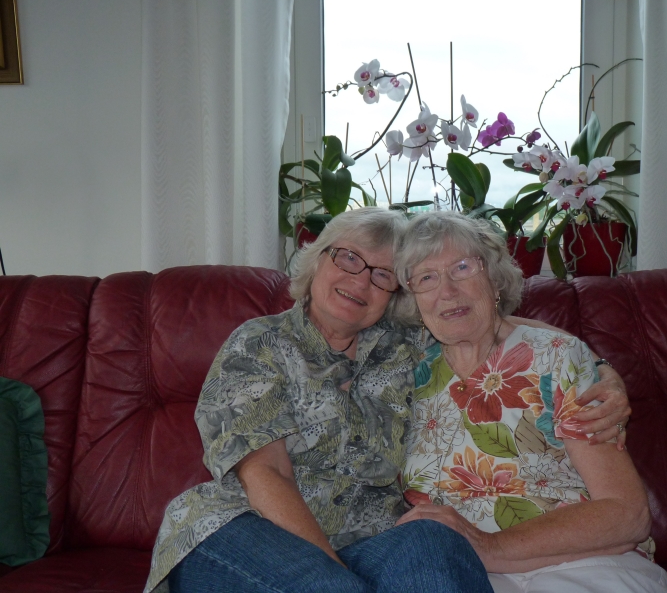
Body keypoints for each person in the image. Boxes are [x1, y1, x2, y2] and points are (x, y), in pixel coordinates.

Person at [144, 207, 632, 593]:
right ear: (316, 260)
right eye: (348, 259)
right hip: (246, 530)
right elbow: (266, 475)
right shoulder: (259, 344)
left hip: (369, 543)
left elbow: (484, 319)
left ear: (395, 296)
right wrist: (342, 580)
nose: (361, 281)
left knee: (433, 541)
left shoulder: (402, 346)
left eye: (382, 275)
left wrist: (602, 368)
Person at [393, 211, 667, 593]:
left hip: (581, 561)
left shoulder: (556, 357)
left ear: (494, 279)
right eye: (426, 277)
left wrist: (490, 546)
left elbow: (627, 514)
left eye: (462, 268)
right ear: (412, 298)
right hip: (458, 573)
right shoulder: (406, 372)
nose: (447, 291)